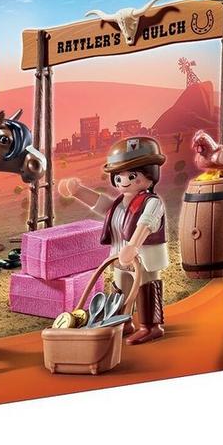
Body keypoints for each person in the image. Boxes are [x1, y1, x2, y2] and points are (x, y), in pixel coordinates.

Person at [61, 136, 168, 345]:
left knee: (146, 287)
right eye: (119, 177)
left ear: (150, 174)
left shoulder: (152, 202)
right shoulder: (119, 203)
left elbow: (146, 223)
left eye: (132, 176)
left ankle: (151, 326)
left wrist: (133, 246)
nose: (124, 181)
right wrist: (78, 191)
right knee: (120, 289)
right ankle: (121, 322)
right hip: (119, 256)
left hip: (143, 258)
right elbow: (101, 204)